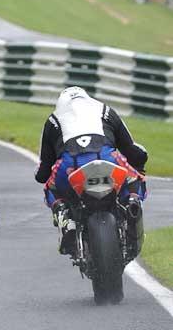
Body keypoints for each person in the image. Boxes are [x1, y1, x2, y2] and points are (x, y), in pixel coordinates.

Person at [35, 86, 147, 254]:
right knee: (135, 178)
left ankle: (66, 219)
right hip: (107, 157)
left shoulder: (52, 120)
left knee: (51, 189)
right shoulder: (106, 110)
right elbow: (131, 149)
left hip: (70, 166)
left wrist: (40, 175)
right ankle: (131, 202)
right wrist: (140, 162)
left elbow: (44, 170)